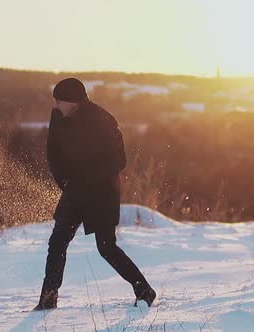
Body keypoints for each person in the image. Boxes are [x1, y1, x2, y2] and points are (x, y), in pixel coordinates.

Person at [34, 78, 156, 310]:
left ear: (73, 102)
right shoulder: (58, 116)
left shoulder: (103, 120)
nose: (55, 105)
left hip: (102, 193)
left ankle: (144, 290)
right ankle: (48, 300)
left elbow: (119, 160)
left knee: (106, 247)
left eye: (59, 101)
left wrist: (90, 178)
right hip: (75, 190)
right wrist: (66, 182)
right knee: (57, 242)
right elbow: (54, 153)